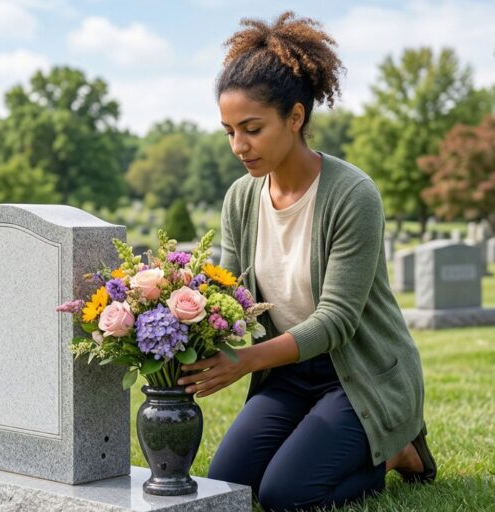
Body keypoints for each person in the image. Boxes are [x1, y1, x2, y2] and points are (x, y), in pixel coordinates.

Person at [175, 12, 436, 512]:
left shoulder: (352, 194)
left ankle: (397, 450)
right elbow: (229, 292)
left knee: (286, 496)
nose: (238, 146)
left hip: (357, 373)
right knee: (230, 486)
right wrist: (174, 314)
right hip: (287, 373)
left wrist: (245, 360)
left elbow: (337, 322)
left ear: (295, 118)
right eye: (229, 131)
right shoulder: (241, 197)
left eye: (252, 129)